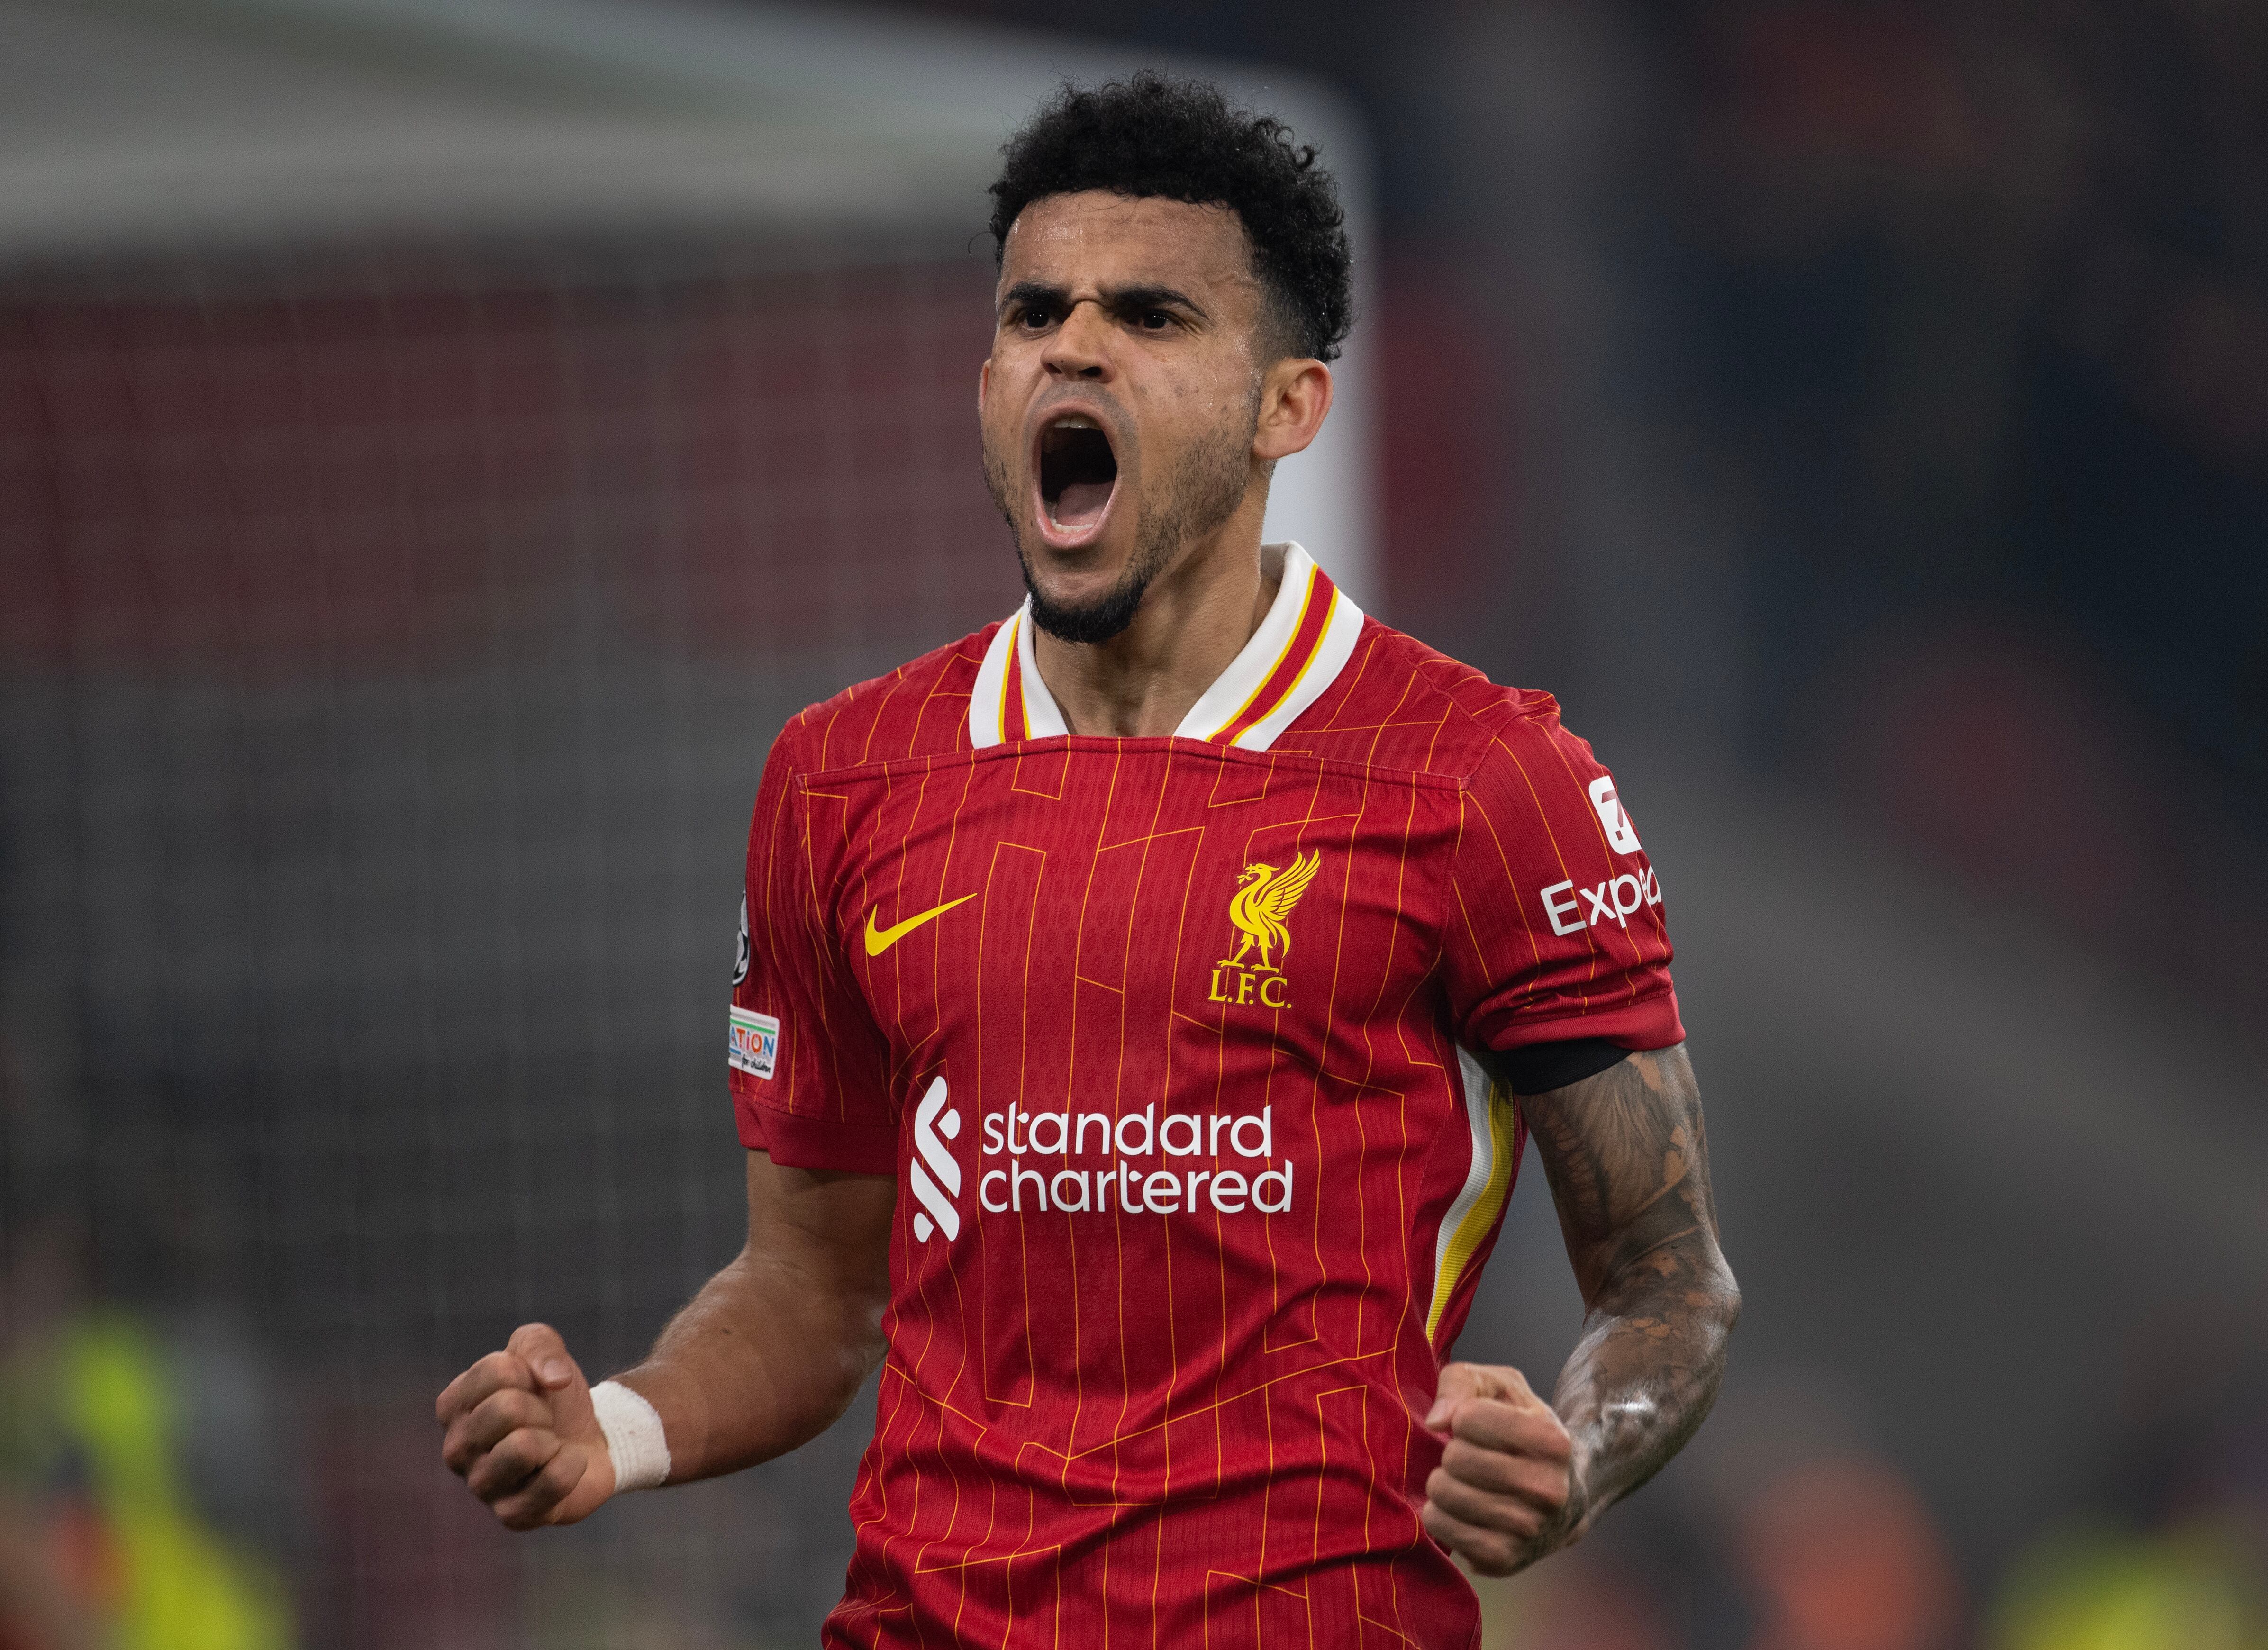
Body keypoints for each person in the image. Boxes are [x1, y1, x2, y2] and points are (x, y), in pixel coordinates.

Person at [437, 72, 1739, 1649]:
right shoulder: (840, 778)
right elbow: (810, 1290)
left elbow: (1668, 1281)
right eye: (1035, 309)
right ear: (987, 374)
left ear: (1288, 407)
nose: (1074, 343)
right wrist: (617, 1432)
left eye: (1151, 315)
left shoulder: (1482, 779)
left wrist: (1573, 1459)